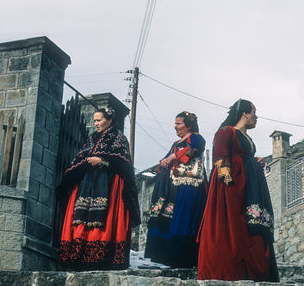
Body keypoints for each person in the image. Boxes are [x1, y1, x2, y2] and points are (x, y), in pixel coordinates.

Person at [197, 99, 279, 282]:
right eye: (254, 112)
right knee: (233, 231)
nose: (256, 117)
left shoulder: (247, 139)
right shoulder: (225, 132)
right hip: (231, 191)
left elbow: (242, 158)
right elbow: (221, 161)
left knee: (253, 232)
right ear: (244, 113)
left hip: (249, 191)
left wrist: (255, 162)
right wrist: (231, 188)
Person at [57, 107, 140, 270]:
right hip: (87, 184)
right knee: (81, 219)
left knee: (104, 218)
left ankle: (102, 257)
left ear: (109, 120)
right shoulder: (91, 139)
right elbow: (80, 158)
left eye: (99, 120)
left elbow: (123, 164)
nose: (96, 123)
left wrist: (102, 162)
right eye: (94, 120)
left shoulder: (118, 137)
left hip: (107, 184)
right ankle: (80, 257)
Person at [144, 111, 208, 268]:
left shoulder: (195, 137)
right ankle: (165, 254)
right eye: (175, 123)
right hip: (172, 186)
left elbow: (195, 149)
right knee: (168, 216)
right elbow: (166, 159)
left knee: (183, 216)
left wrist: (173, 157)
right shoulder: (175, 143)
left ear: (189, 125)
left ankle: (182, 255)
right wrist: (164, 162)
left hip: (188, 186)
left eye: (178, 123)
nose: (175, 126)